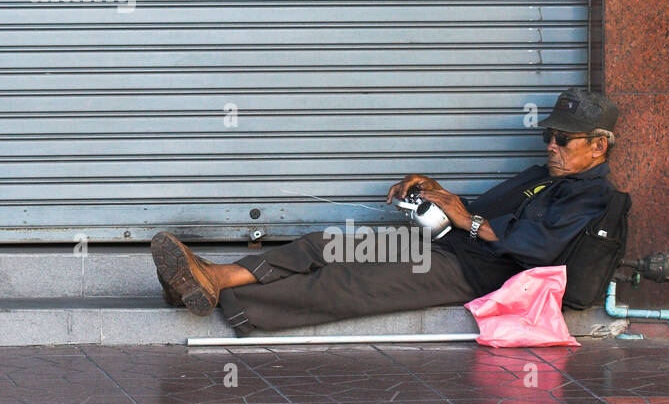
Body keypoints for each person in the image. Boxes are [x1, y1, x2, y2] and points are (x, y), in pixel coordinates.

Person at [150, 88, 622, 335]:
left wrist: (468, 220)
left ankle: (226, 302)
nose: (552, 146)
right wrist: (440, 194)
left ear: (598, 145)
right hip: (447, 247)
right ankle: (213, 277)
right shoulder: (542, 174)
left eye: (564, 139)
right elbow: (479, 213)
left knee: (346, 283)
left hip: (475, 272)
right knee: (327, 244)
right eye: (550, 136)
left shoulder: (589, 196)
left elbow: (531, 249)